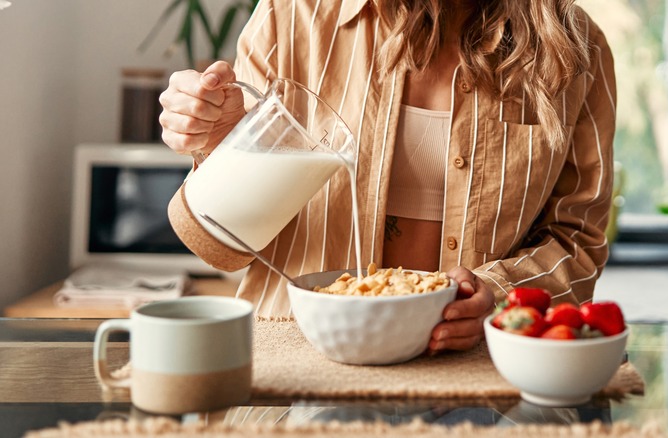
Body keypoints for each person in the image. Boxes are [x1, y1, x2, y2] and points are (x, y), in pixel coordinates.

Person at [160, 0, 616, 353]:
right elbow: (218, 248)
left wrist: (498, 292)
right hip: (296, 362)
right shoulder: (292, 15)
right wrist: (218, 147)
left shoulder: (577, 49)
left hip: (473, 375)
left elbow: (576, 240)